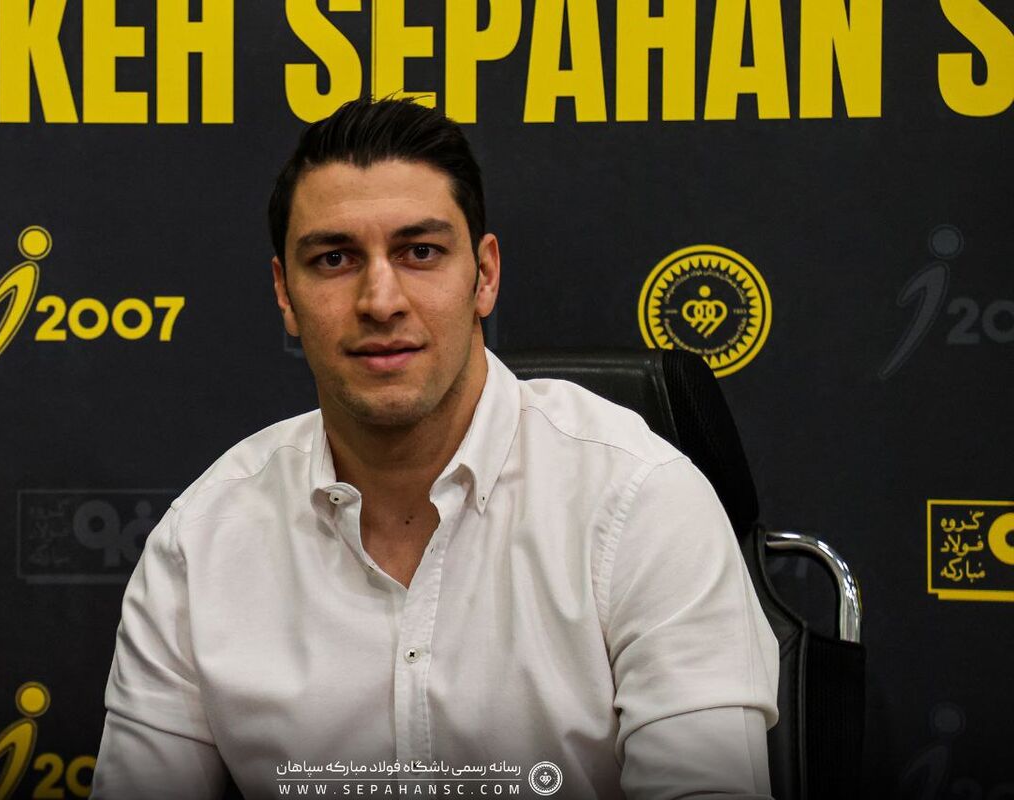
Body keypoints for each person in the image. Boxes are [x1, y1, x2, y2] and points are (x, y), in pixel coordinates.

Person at [91, 97, 778, 800]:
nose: (380, 300)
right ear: (285, 295)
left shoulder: (643, 502)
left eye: (420, 252)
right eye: (334, 259)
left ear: (484, 275)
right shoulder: (201, 540)